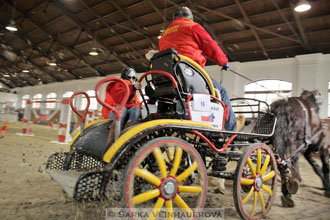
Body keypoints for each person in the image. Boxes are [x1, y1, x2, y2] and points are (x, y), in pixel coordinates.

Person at [158, 6, 237, 131]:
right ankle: (230, 131)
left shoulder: (164, 35)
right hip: (188, 74)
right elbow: (211, 46)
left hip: (168, 78)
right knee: (221, 91)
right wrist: (224, 62)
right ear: (190, 18)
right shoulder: (192, 27)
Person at [102, 67, 142, 144]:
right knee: (122, 110)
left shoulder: (131, 87)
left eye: (133, 77)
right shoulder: (118, 84)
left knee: (136, 109)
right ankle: (112, 142)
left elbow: (136, 102)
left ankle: (127, 135)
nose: (131, 79)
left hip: (129, 108)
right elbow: (119, 97)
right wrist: (133, 88)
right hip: (116, 108)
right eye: (129, 77)